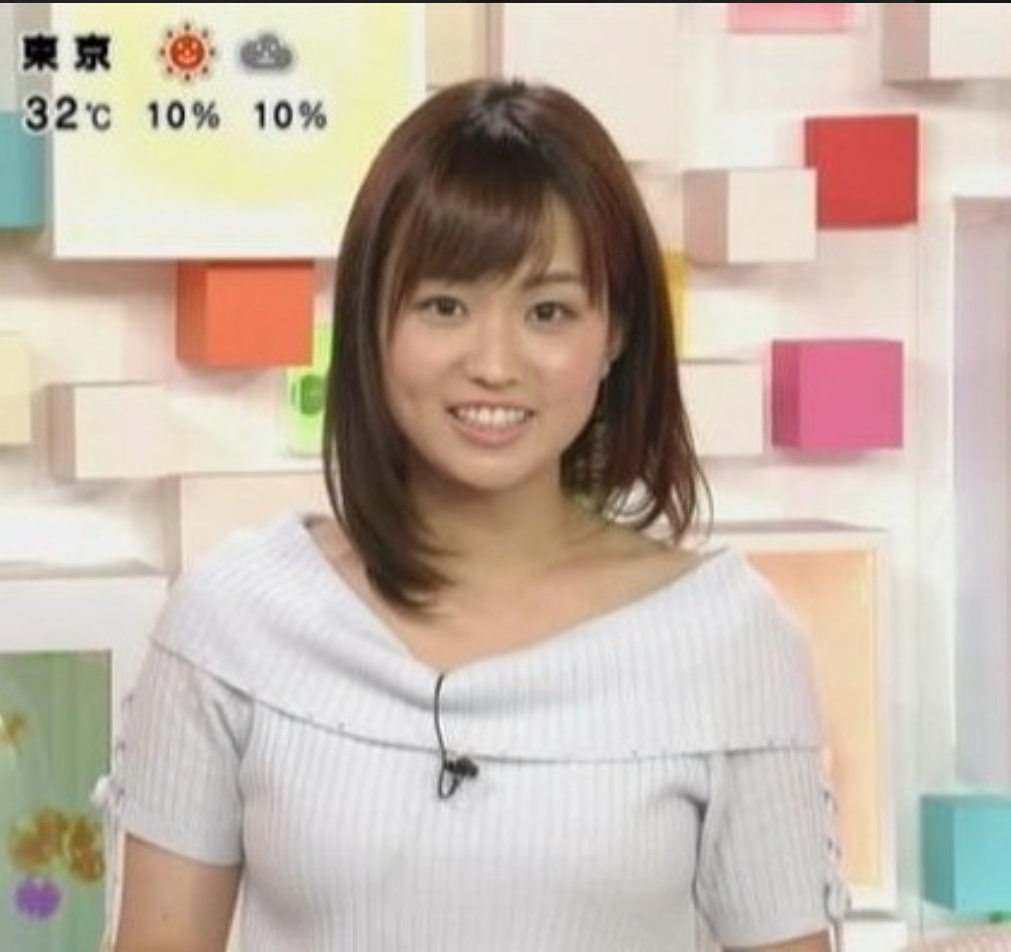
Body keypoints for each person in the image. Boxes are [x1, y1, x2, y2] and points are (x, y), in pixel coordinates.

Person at [100, 77, 850, 952]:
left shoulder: (728, 638)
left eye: (548, 311)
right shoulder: (233, 619)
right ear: (373, 322)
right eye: (445, 305)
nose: (494, 363)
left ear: (614, 333)